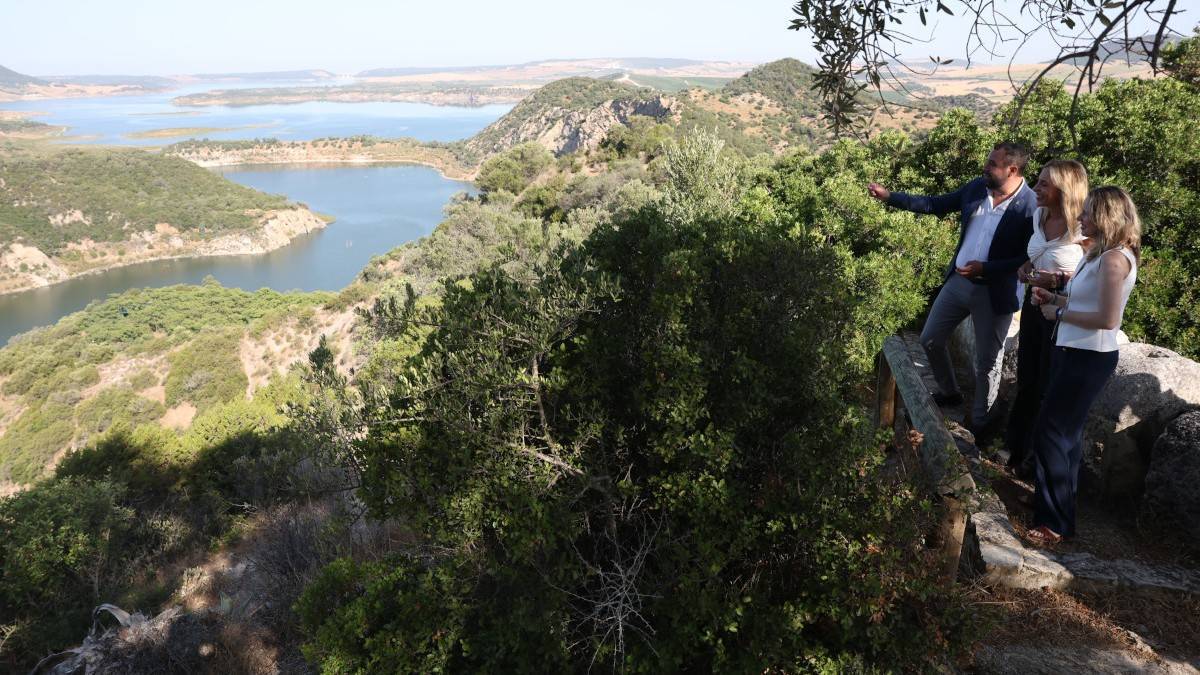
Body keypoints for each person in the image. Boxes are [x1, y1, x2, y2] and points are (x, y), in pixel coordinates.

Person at [868, 142, 1036, 437]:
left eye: (992, 164)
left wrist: (986, 269)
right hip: (959, 283)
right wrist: (890, 197)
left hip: (995, 293)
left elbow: (1027, 256)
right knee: (930, 339)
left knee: (987, 363)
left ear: (1012, 170)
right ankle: (950, 392)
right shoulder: (976, 188)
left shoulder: (1030, 207)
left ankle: (981, 424)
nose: (985, 167)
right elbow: (934, 204)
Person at [1024, 186, 1141, 545]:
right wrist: (1055, 297)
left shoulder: (1114, 260)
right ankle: (1058, 514)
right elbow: (1086, 302)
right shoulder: (1101, 254)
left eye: (1088, 212)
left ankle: (1054, 523)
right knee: (1066, 437)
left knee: (1050, 432)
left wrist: (1057, 311)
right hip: (1074, 350)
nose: (1080, 217)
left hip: (1088, 356)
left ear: (1107, 217)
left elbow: (1107, 319)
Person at [1005, 160, 1088, 478]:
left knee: (1046, 387)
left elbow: (1090, 277)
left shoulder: (1083, 229)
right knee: (1027, 379)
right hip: (1034, 303)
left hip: (1061, 313)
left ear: (1064, 190)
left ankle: (1036, 464)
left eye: (1043, 184)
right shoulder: (1041, 215)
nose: (1035, 189)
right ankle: (1017, 449)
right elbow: (1041, 252)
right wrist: (1027, 266)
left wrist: (1058, 281)